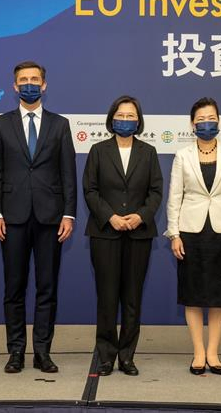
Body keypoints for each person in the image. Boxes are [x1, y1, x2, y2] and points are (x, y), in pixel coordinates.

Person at [0, 60, 77, 374]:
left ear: (44, 85)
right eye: (23, 79)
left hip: (51, 218)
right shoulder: (1, 123)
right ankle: (15, 352)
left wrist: (69, 214)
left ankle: (42, 352)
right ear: (15, 86)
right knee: (14, 288)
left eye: (34, 79)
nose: (29, 84)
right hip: (11, 218)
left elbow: (68, 173)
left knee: (46, 288)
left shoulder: (60, 124)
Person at [165, 97, 221, 375]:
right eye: (201, 119)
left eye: (211, 118)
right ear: (192, 124)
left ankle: (213, 353)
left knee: (219, 295)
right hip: (190, 231)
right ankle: (198, 352)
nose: (206, 123)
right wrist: (173, 234)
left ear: (219, 121)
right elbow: (174, 196)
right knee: (192, 295)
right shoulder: (182, 155)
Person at [83, 95, 163, 377]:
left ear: (138, 121)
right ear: (111, 118)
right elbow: (90, 190)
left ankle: (127, 356)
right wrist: (111, 217)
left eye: (131, 116)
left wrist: (141, 216)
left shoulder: (149, 152)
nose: (126, 120)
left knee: (132, 298)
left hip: (139, 234)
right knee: (106, 297)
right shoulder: (98, 150)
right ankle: (106, 356)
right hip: (105, 233)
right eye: (121, 115)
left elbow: (156, 191)